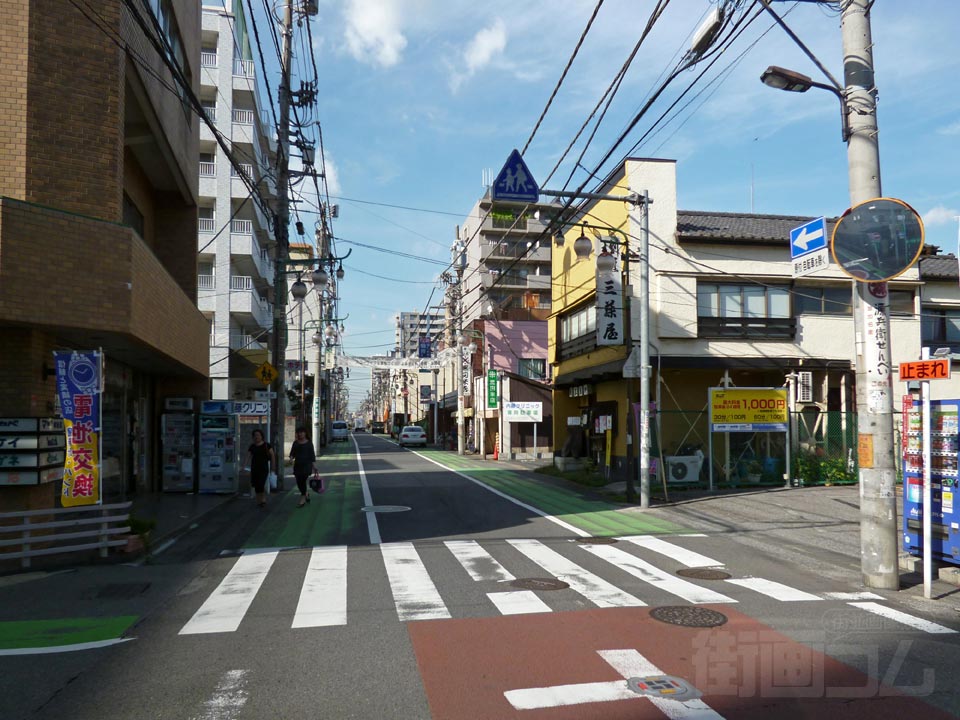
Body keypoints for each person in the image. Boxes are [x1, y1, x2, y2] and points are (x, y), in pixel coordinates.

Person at [244, 429, 275, 508]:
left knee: (261, 484)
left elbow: (272, 456)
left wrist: (273, 467)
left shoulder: (266, 445)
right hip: (254, 468)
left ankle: (263, 499)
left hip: (263, 468)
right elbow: (247, 457)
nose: (256, 437)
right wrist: (244, 466)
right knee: (256, 485)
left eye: (258, 435)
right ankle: (258, 500)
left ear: (262, 436)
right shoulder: (252, 446)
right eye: (255, 435)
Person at [289, 426, 317, 508]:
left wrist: (314, 467)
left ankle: (302, 498)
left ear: (305, 433)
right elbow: (292, 453)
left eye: (302, 432)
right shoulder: (295, 443)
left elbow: (312, 455)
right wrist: (291, 459)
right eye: (299, 432)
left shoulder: (309, 443)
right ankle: (306, 494)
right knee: (299, 481)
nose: (300, 434)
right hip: (297, 465)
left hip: (307, 465)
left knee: (303, 480)